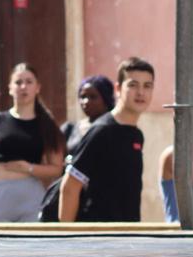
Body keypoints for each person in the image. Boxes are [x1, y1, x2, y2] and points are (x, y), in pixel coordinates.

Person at [59, 58, 155, 222]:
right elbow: (70, 186)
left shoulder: (136, 134)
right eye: (133, 85)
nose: (141, 92)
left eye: (147, 86)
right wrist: (67, 238)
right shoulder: (102, 130)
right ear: (118, 89)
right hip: (98, 238)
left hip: (127, 237)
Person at [0, 62, 65, 223]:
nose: (23, 87)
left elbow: (56, 169)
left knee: (31, 247)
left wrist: (28, 168)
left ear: (38, 87)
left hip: (31, 196)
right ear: (10, 88)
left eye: (29, 82)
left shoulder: (47, 124)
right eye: (18, 82)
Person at [63, 75, 114, 146]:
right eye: (83, 97)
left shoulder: (115, 129)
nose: (86, 101)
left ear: (106, 100)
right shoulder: (69, 130)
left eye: (93, 97)